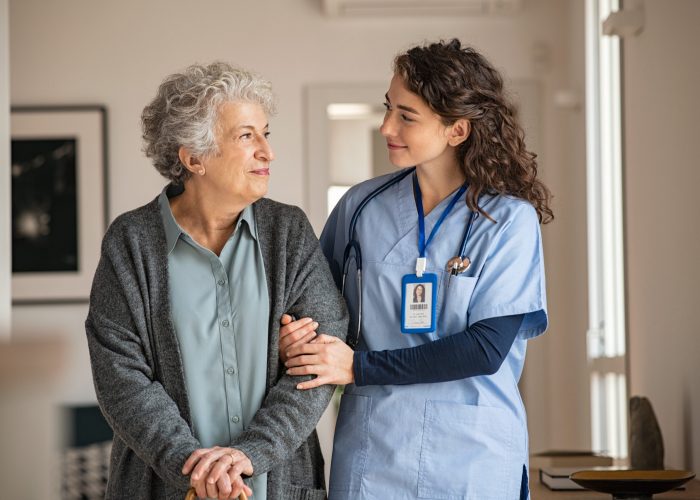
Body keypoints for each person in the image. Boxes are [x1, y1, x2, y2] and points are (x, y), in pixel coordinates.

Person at [280, 39, 552, 499]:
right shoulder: (359, 207)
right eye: (389, 109)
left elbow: (485, 349)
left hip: (472, 455)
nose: (386, 125)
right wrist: (297, 336)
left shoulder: (507, 220)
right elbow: (315, 307)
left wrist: (358, 368)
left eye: (407, 116)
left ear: (457, 130)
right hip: (375, 449)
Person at [85, 62, 347, 500]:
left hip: (277, 486)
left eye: (266, 133)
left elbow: (319, 359)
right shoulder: (130, 243)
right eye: (247, 136)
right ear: (193, 158)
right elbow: (121, 378)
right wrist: (195, 469)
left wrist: (250, 455)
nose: (267, 151)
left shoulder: (288, 231)